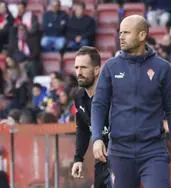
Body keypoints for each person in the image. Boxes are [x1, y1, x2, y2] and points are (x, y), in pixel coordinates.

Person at [91, 15, 171, 188]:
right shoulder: (111, 67)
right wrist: (96, 138)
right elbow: (99, 105)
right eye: (120, 33)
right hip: (120, 151)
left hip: (153, 150)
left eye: (126, 33)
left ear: (142, 35)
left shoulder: (162, 68)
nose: (121, 37)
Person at [71, 46, 111, 188]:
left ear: (96, 70)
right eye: (76, 68)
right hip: (101, 159)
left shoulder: (111, 94)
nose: (79, 72)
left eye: (83, 67)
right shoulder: (79, 97)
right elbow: (82, 129)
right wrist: (78, 159)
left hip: (121, 155)